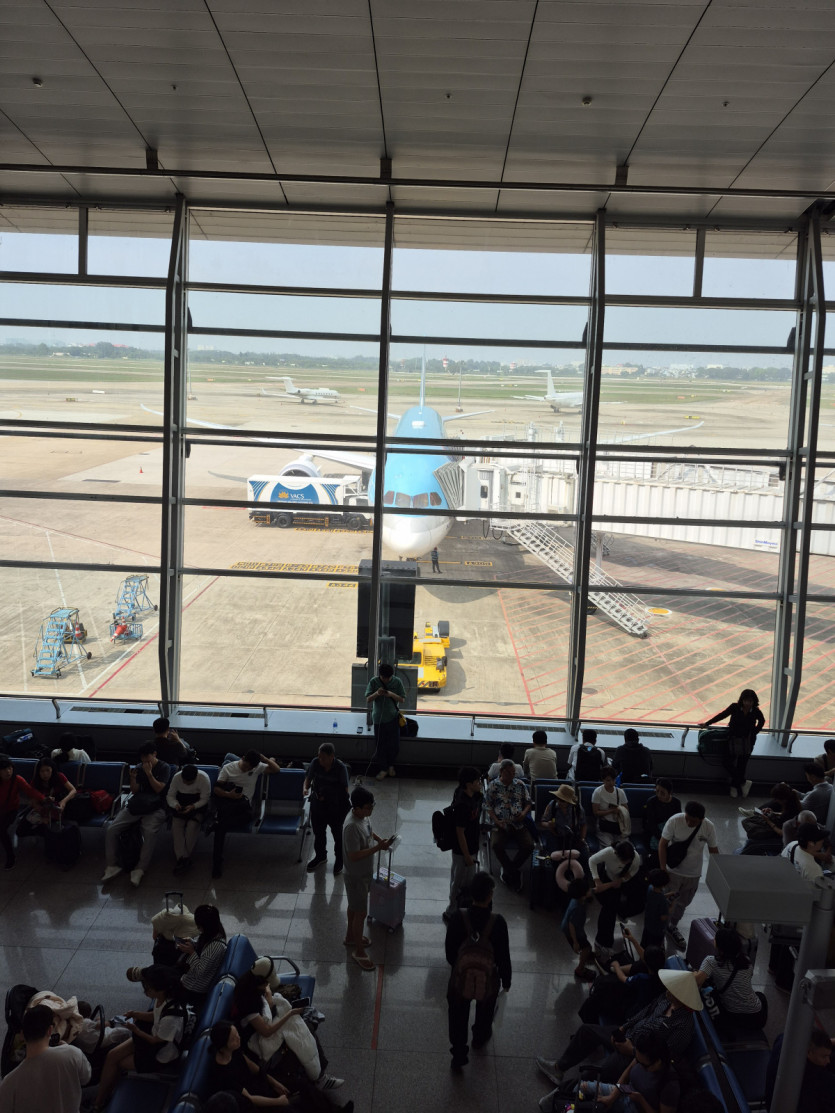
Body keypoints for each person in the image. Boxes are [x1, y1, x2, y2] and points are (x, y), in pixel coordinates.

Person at [537, 968, 701, 1087]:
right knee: (586, 1031)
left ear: (681, 996)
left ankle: (567, 1092)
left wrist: (633, 1051)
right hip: (628, 1035)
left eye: (672, 988)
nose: (667, 989)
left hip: (636, 1057)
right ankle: (559, 1068)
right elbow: (644, 1012)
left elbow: (663, 1058)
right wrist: (623, 1028)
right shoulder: (665, 999)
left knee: (594, 1072)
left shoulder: (684, 1026)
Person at [231, 959, 343, 1093]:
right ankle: (319, 1078)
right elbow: (266, 1031)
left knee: (305, 1029)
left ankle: (320, 1075)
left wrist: (268, 995)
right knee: (303, 1030)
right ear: (259, 982)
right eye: (266, 983)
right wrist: (290, 1013)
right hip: (257, 1041)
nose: (268, 985)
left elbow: (267, 990)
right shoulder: (248, 1002)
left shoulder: (250, 978)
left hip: (265, 1022)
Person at [92, 965, 186, 1111]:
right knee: (112, 1056)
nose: (145, 991)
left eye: (148, 988)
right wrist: (135, 1014)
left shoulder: (172, 1018)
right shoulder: (162, 999)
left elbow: (156, 1041)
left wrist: (135, 1030)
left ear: (160, 989)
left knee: (119, 1062)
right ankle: (101, 1099)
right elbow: (155, 1016)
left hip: (160, 1054)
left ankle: (99, 1103)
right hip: (151, 1038)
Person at [444, 870, 511, 1069]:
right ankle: (479, 1038)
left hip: (460, 978)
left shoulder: (458, 917)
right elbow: (503, 956)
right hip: (488, 980)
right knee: (485, 1010)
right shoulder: (498, 922)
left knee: (457, 1014)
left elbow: (450, 953)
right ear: (490, 895)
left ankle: (458, 1053)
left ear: (472, 893)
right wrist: (506, 981)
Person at [101, 742, 171, 887]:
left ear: (154, 754)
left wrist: (149, 774)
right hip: (138, 804)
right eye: (142, 759)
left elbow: (159, 789)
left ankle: (140, 868)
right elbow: (135, 791)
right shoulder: (139, 767)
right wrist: (133, 779)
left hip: (157, 806)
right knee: (112, 829)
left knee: (149, 832)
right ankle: (112, 865)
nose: (145, 761)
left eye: (147, 758)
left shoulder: (164, 767)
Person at [0, 1003, 90, 1113]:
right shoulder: (73, 1054)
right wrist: (66, 1047)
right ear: (50, 1030)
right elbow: (86, 1078)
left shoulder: (9, 1083)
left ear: (22, 1035)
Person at [342, 785, 393, 970]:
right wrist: (377, 848)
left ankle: (350, 936)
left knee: (354, 907)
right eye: (367, 807)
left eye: (372, 806)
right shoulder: (351, 827)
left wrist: (379, 840)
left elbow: (369, 831)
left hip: (363, 873)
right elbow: (354, 855)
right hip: (356, 876)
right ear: (356, 808)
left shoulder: (363, 816)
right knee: (361, 913)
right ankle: (359, 951)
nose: (371, 810)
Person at [658, 800, 719, 951]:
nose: (689, 823)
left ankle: (672, 926)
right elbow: (662, 844)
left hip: (693, 874)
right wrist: (663, 869)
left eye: (693, 821)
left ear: (701, 819)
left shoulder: (708, 827)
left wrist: (721, 871)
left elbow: (714, 851)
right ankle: (660, 931)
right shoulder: (675, 821)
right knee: (667, 902)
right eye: (687, 818)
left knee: (682, 904)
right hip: (673, 871)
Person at [211, 749, 282, 879]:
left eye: (250, 768)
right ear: (242, 758)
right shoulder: (228, 768)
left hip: (243, 806)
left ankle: (217, 825)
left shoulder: (257, 767)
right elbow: (216, 789)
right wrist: (229, 795)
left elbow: (276, 770)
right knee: (222, 827)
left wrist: (265, 759)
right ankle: (217, 863)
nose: (247, 770)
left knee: (239, 819)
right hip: (228, 803)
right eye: (245, 766)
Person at [577, 1030, 680, 1113]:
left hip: (635, 1109)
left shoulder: (670, 1085)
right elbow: (626, 1076)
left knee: (589, 1108)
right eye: (637, 1060)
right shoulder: (642, 1057)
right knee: (579, 1088)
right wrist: (611, 1098)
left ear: (658, 1062)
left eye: (643, 1065)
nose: (639, 1065)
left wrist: (640, 1100)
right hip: (623, 1092)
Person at [694, 927, 767, 1031]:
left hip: (734, 1018)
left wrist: (695, 973)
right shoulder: (746, 960)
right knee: (760, 996)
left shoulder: (711, 962)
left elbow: (697, 982)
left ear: (719, 946)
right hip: (758, 1018)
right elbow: (747, 979)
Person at [699, 688, 765, 797]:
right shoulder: (735, 707)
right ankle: (743, 782)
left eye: (750, 701)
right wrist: (707, 723)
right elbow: (722, 715)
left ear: (754, 701)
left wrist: (754, 732)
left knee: (741, 765)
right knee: (727, 762)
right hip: (733, 740)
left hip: (748, 742)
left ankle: (734, 787)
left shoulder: (756, 711)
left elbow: (762, 721)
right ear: (742, 700)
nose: (748, 703)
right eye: (746, 701)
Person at [484, 758, 534, 892]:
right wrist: (496, 821)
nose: (512, 775)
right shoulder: (493, 786)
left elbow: (528, 802)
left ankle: (509, 869)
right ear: (501, 771)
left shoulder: (520, 784)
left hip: (518, 823)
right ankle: (513, 872)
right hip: (500, 823)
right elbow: (487, 805)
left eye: (514, 773)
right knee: (496, 845)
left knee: (529, 845)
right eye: (509, 772)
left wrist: (523, 813)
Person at [589, 840, 644, 960]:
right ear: (616, 854)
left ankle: (622, 913)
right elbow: (592, 860)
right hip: (608, 878)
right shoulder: (609, 852)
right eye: (623, 860)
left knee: (639, 902)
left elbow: (633, 871)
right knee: (609, 910)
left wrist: (622, 880)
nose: (625, 863)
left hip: (623, 880)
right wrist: (597, 881)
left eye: (627, 861)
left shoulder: (635, 858)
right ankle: (602, 942)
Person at [304, 742, 350, 875]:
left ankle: (339, 859)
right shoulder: (315, 763)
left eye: (323, 758)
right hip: (318, 804)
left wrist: (330, 795)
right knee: (318, 832)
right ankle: (320, 856)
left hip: (335, 807)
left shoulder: (340, 768)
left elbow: (345, 791)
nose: (320, 760)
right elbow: (308, 779)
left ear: (332, 757)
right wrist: (305, 788)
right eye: (319, 756)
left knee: (337, 834)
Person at [443, 766, 483, 922]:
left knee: (466, 880)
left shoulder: (475, 795)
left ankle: (462, 908)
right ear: (468, 784)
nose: (480, 783)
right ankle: (451, 910)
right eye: (477, 781)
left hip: (472, 846)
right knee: (458, 881)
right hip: (462, 851)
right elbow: (460, 832)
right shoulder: (462, 804)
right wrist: (466, 855)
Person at [0, 754, 45, 870]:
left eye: (10, 768)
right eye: (4, 769)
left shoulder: (17, 779)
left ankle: (11, 856)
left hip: (11, 809)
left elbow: (30, 791)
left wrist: (44, 799)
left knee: (2, 829)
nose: (8, 772)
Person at [15, 756, 77, 838]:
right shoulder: (36, 781)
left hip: (57, 809)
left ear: (52, 770)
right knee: (20, 831)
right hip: (42, 808)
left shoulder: (59, 776)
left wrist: (64, 801)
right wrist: (41, 813)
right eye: (42, 771)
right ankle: (39, 832)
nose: (45, 774)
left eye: (48, 770)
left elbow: (73, 790)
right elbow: (33, 800)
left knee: (51, 830)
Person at [167, 762, 211, 875]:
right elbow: (170, 796)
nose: (186, 783)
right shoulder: (177, 777)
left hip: (197, 805)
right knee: (176, 826)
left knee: (192, 826)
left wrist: (193, 806)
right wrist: (175, 804)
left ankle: (182, 858)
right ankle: (183, 858)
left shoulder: (203, 778)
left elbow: (205, 799)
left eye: (189, 782)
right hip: (181, 804)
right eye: (185, 781)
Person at [365, 662, 405, 780]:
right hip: (378, 719)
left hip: (393, 718)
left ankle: (391, 765)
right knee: (380, 746)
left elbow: (402, 699)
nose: (386, 680)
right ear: (380, 675)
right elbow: (368, 699)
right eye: (383, 678)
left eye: (388, 678)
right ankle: (383, 768)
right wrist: (377, 693)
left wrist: (391, 694)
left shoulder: (397, 682)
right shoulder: (374, 682)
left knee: (394, 745)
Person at [641, 779, 681, 869]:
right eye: (657, 791)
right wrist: (664, 839)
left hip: (670, 834)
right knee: (658, 856)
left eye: (662, 793)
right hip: (653, 834)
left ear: (670, 792)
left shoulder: (676, 803)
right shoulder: (651, 802)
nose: (659, 795)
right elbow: (651, 824)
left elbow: (678, 822)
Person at [561, 876, 595, 981]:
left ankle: (587, 954)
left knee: (585, 944)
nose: (590, 890)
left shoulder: (576, 898)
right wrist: (575, 942)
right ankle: (580, 969)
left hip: (575, 928)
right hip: (573, 932)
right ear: (583, 896)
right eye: (588, 890)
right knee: (586, 947)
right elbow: (571, 925)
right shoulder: (578, 909)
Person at [540, 783, 587, 857]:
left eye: (562, 800)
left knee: (583, 856)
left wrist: (582, 839)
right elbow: (542, 822)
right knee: (554, 856)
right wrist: (548, 824)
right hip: (555, 835)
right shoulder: (552, 805)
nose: (559, 802)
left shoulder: (577, 808)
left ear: (568, 801)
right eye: (558, 798)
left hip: (572, 836)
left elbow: (583, 824)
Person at [798, 1029, 835, 1113]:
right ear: (808, 1052)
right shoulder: (822, 1080)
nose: (828, 1060)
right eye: (824, 1056)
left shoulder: (784, 1040)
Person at [592, 766, 628, 848]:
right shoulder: (598, 792)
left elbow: (626, 810)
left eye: (613, 780)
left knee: (623, 847)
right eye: (608, 780)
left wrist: (620, 810)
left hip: (618, 825)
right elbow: (596, 812)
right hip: (604, 826)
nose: (611, 783)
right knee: (609, 847)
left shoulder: (620, 792)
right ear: (603, 780)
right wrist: (611, 811)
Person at [641, 868, 670, 949]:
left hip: (648, 924)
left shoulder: (650, 889)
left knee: (645, 943)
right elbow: (663, 917)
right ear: (664, 884)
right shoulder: (663, 900)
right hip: (657, 930)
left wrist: (667, 895)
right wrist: (672, 905)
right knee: (654, 948)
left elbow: (657, 898)